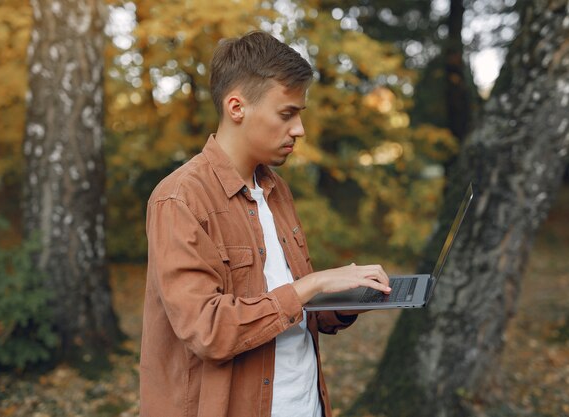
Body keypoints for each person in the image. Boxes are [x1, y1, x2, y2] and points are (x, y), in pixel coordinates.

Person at [140, 30, 391, 417]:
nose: (299, 130)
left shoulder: (276, 190)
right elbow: (209, 331)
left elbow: (295, 310)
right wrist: (312, 284)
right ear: (236, 107)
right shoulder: (180, 198)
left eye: (300, 115)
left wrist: (351, 296)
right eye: (286, 114)